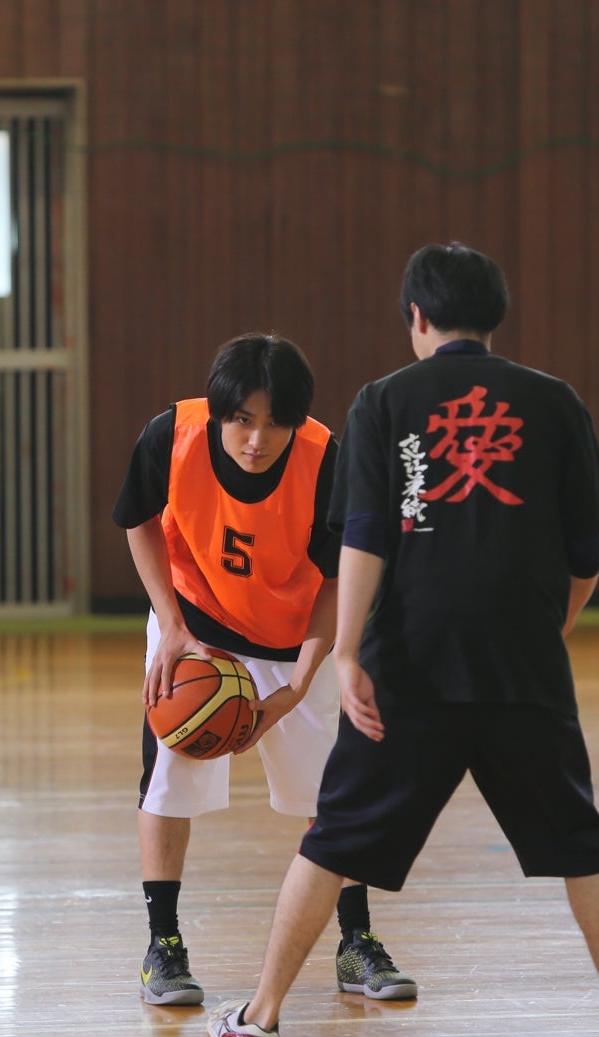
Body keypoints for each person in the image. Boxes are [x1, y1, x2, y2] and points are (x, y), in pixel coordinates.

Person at [207, 244, 599, 1037]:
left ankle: (261, 1014)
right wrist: (548, 633)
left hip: (405, 672)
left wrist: (346, 652)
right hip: (524, 669)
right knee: (582, 844)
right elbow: (586, 554)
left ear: (415, 316)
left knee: (332, 841)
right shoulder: (556, 402)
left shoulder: (383, 400)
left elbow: (366, 537)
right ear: (493, 317)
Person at [114, 332, 417, 1008]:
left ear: (298, 418)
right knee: (167, 779)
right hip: (195, 634)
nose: (257, 438)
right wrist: (170, 625)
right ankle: (162, 946)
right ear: (220, 410)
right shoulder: (172, 433)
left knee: (333, 797)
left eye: (275, 421)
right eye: (242, 419)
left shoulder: (324, 458)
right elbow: (135, 518)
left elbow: (340, 579)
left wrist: (300, 682)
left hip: (292, 634)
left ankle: (355, 940)